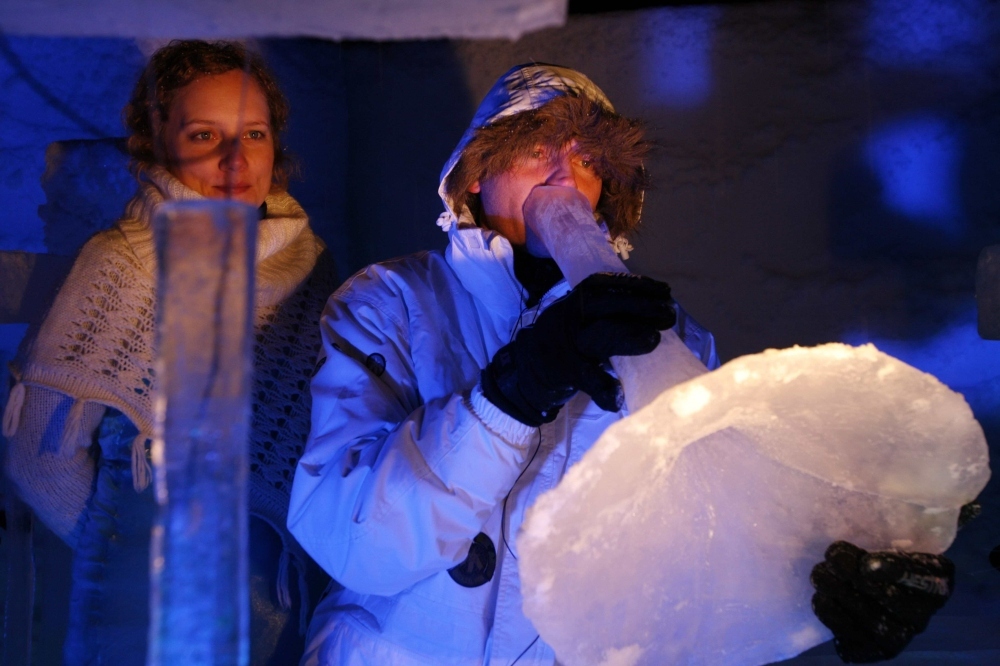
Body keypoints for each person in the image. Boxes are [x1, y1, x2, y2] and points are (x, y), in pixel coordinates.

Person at [287, 64, 955, 665]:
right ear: (476, 172)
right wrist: (512, 394)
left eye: (586, 160)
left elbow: (707, 539)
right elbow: (353, 543)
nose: (564, 177)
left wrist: (828, 582)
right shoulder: (390, 303)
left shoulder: (664, 336)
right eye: (536, 148)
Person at [4, 40, 333, 665]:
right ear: (157, 142)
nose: (236, 159)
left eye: (255, 134)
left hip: (277, 598)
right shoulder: (127, 262)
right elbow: (39, 459)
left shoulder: (309, 264)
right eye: (205, 135)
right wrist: (125, 556)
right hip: (149, 605)